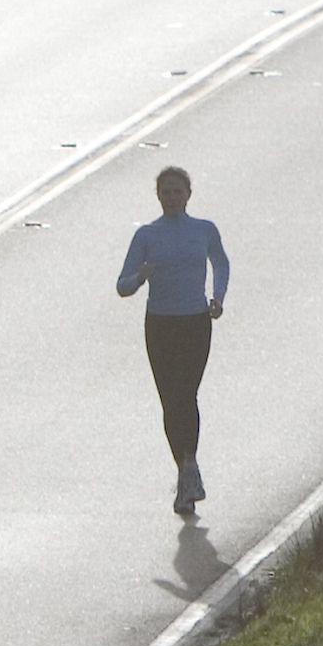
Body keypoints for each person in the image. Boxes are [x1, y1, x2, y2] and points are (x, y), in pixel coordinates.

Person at [113, 164, 230, 516]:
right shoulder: (147, 236)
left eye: (178, 191)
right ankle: (185, 474)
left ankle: (189, 465)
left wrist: (218, 297)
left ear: (189, 195)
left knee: (186, 393)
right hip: (160, 324)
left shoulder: (204, 230)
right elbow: (122, 286)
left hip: (195, 321)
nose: (172, 197)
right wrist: (140, 276)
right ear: (158, 196)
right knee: (169, 401)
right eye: (166, 191)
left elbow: (221, 263)